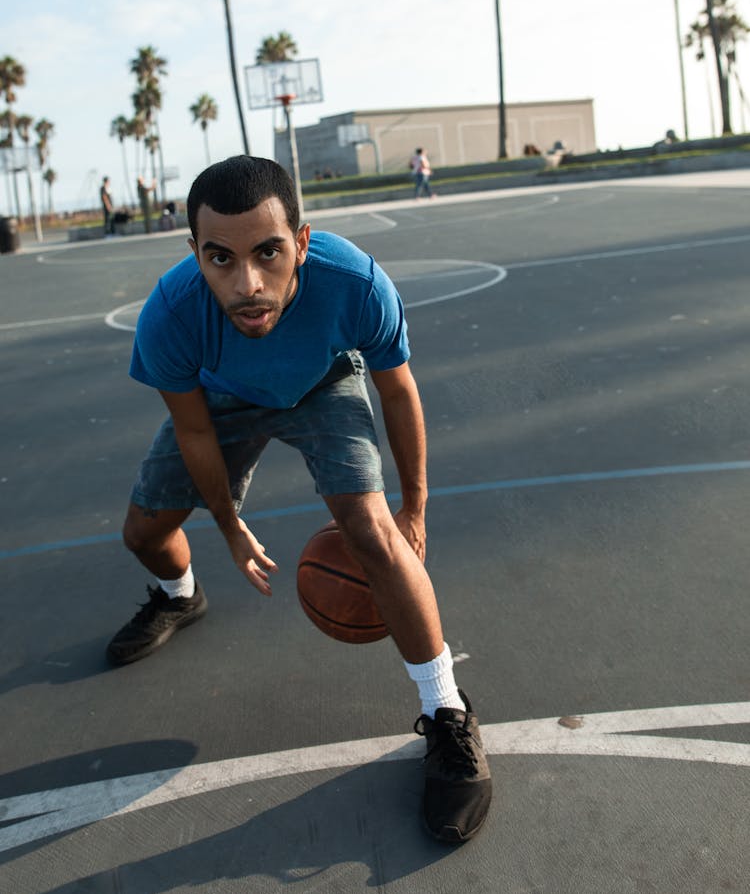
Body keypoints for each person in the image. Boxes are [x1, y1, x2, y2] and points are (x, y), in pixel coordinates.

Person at [107, 155, 492, 843]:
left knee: (372, 530)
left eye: (268, 252)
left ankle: (446, 712)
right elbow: (194, 428)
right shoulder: (171, 315)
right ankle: (179, 594)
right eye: (219, 257)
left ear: (303, 243)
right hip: (222, 393)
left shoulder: (353, 283)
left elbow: (398, 390)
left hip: (322, 378)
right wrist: (226, 524)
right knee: (142, 532)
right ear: (193, 251)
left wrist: (415, 510)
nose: (247, 282)